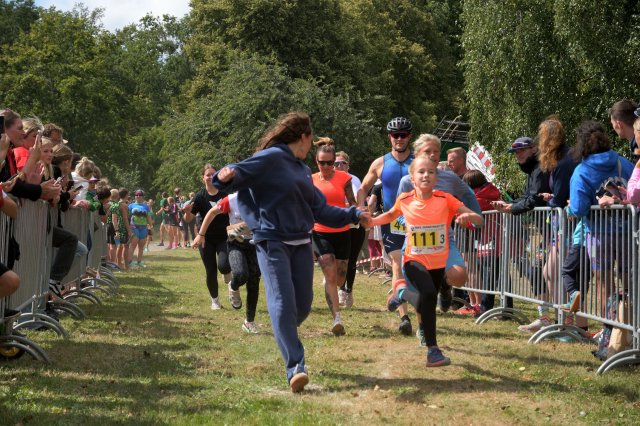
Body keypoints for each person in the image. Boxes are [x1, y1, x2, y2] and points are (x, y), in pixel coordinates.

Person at [212, 111, 369, 393]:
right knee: (282, 301)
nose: (311, 148)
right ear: (303, 137)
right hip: (272, 241)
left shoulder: (301, 170)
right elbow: (237, 171)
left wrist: (353, 214)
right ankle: (295, 366)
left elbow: (320, 209)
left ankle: (282, 326)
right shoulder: (272, 157)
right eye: (311, 140)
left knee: (303, 305)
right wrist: (224, 174)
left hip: (301, 242)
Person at [370, 155, 482, 367]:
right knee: (429, 295)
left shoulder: (445, 199)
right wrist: (372, 221)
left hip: (438, 263)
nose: (426, 175)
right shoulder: (405, 199)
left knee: (428, 300)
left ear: (436, 177)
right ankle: (433, 351)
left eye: (431, 172)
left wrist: (469, 217)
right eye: (421, 172)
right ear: (412, 178)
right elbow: (390, 215)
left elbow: (477, 218)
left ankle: (402, 293)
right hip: (413, 260)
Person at [396, 134, 482, 342]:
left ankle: (445, 285)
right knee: (420, 288)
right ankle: (423, 327)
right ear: (417, 154)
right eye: (428, 151)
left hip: (444, 241)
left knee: (460, 276)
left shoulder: (450, 179)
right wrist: (410, 223)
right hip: (416, 243)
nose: (433, 155)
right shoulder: (407, 181)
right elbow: (398, 212)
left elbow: (469, 194)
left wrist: (473, 216)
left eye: (436, 151)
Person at [566, 121, 634, 359]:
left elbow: (578, 208)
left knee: (605, 285)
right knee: (629, 285)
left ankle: (610, 338)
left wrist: (576, 206)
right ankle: (630, 335)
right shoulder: (624, 163)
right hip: (627, 232)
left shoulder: (582, 170)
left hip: (598, 235)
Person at [357, 116, 415, 335]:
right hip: (392, 220)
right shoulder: (380, 163)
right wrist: (361, 209)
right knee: (397, 263)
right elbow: (363, 188)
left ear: (410, 137)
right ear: (389, 137)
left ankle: (416, 298)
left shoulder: (419, 161)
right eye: (395, 135)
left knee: (416, 266)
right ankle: (404, 317)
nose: (399, 139)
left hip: (417, 220)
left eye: (403, 135)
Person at [492, 136, 552, 333]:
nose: (518, 155)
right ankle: (544, 317)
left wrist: (512, 208)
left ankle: (564, 320)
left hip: (555, 230)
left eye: (521, 150)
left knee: (549, 272)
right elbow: (527, 197)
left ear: (533, 149)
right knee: (538, 271)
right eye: (515, 152)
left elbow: (534, 199)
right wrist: (509, 204)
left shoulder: (540, 169)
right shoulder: (532, 171)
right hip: (547, 232)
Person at [192, 192, 261, 334]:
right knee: (241, 274)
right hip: (236, 243)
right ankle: (233, 286)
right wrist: (201, 234)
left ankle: (249, 322)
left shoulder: (264, 197)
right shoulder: (231, 199)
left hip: (256, 245)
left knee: (253, 282)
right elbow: (212, 212)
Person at [311, 138, 356, 335]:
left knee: (339, 279)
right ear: (317, 162)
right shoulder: (310, 180)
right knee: (330, 275)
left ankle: (331, 284)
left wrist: (355, 213)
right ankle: (337, 318)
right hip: (320, 232)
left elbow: (352, 202)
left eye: (330, 162)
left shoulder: (344, 178)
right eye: (322, 162)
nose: (326, 166)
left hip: (342, 232)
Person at [183, 164, 232, 310]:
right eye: (207, 175)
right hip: (206, 238)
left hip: (224, 236)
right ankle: (215, 302)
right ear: (202, 178)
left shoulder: (225, 192)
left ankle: (227, 273)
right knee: (210, 270)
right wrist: (187, 212)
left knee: (224, 265)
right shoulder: (199, 196)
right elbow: (189, 219)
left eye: (213, 174)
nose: (210, 177)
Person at [334, 150, 365, 308]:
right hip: (337, 225)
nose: (339, 166)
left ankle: (348, 290)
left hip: (354, 225)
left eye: (343, 163)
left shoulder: (355, 180)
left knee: (352, 259)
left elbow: (359, 202)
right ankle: (340, 288)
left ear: (348, 165)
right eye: (336, 163)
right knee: (340, 259)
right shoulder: (330, 180)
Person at [128, 189, 153, 268]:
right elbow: (127, 217)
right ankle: (130, 262)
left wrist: (151, 227)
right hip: (134, 227)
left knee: (141, 246)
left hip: (143, 228)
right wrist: (128, 227)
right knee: (133, 245)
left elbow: (148, 217)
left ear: (142, 196)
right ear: (135, 196)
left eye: (140, 195)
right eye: (137, 195)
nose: (138, 196)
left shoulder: (146, 206)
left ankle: (139, 262)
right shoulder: (131, 206)